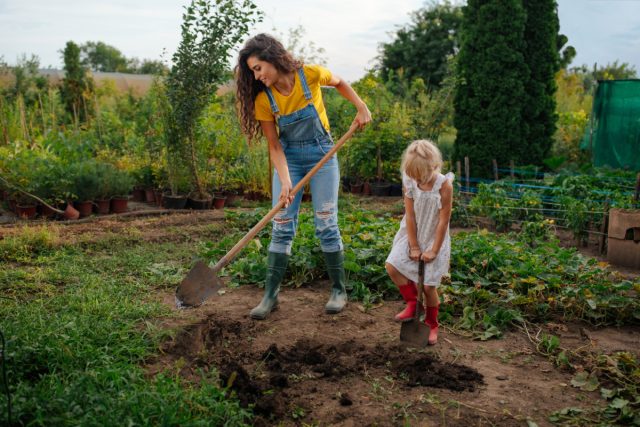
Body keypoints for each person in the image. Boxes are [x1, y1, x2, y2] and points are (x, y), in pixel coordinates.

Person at [235, 33, 372, 320]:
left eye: (258, 68)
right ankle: (270, 295)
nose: (257, 76)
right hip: (290, 161)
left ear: (271, 57)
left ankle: (338, 290)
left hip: (323, 156)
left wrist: (360, 106)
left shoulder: (309, 75)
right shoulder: (264, 100)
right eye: (252, 72)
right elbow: (274, 145)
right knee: (282, 225)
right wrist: (285, 181)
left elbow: (339, 82)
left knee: (325, 222)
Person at [385, 140, 454, 345]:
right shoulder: (410, 181)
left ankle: (432, 323)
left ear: (433, 167)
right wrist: (413, 245)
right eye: (412, 175)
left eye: (419, 176)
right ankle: (414, 304)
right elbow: (410, 215)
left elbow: (443, 221)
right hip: (412, 232)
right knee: (392, 266)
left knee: (429, 287)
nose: (415, 179)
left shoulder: (444, 185)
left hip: (434, 236)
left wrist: (433, 249)